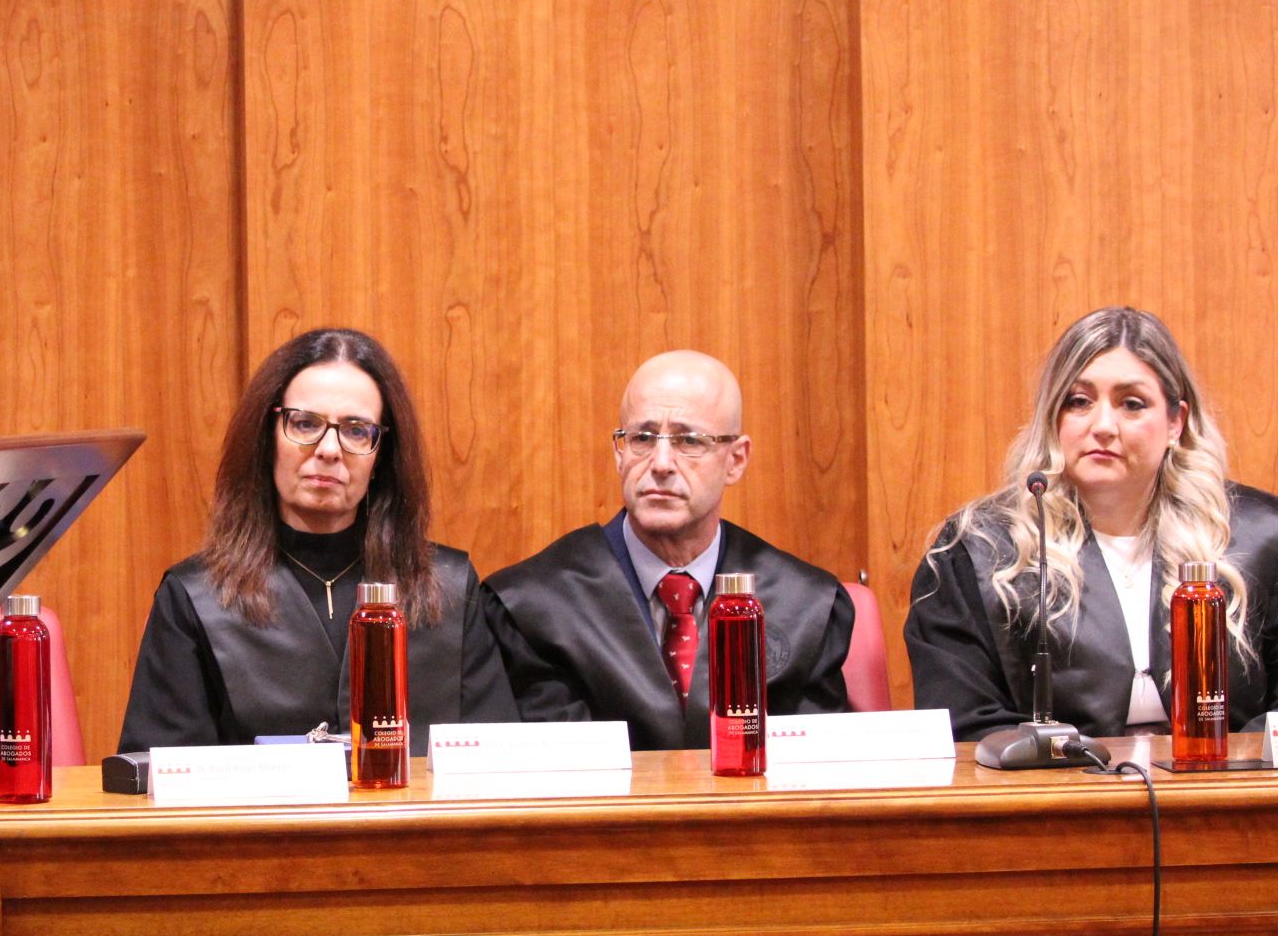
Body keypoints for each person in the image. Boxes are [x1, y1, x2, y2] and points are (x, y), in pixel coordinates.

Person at [117, 327, 518, 752]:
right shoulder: (194, 597)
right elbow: (155, 783)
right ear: (267, 438)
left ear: (382, 454)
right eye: (305, 424)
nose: (329, 449)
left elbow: (500, 770)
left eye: (356, 430)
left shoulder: (452, 589)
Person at [907, 306, 1278, 740]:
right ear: (1053, 417)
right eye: (1079, 402)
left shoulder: (1260, 538)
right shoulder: (978, 551)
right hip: (1053, 801)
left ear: (1175, 422)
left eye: (1132, 404)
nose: (1103, 426)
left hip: (1226, 798)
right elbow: (963, 723)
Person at [483, 350, 851, 749]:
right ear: (618, 453)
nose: (660, 463)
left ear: (736, 460)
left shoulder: (807, 605)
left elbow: (815, 777)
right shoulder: (533, 606)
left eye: (689, 440)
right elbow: (559, 776)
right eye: (642, 438)